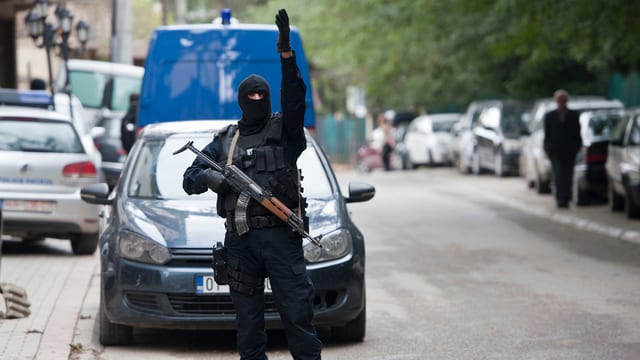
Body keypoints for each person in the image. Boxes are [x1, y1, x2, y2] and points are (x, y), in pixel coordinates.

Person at [182, 9, 322, 360]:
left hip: (281, 238)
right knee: (248, 327)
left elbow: (294, 98)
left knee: (298, 319)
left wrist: (286, 54)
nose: (257, 101)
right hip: (241, 243)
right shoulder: (225, 140)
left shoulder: (286, 133)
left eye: (262, 96)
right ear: (242, 101)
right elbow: (189, 179)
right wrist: (212, 178)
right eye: (252, 97)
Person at [543, 89, 582, 208]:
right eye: (559, 100)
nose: (561, 102)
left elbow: (577, 133)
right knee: (558, 174)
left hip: (570, 151)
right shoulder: (550, 116)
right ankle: (560, 199)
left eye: (563, 100)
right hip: (555, 151)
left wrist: (576, 147)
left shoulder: (573, 115)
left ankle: (566, 197)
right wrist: (548, 148)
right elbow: (547, 135)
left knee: (568, 175)